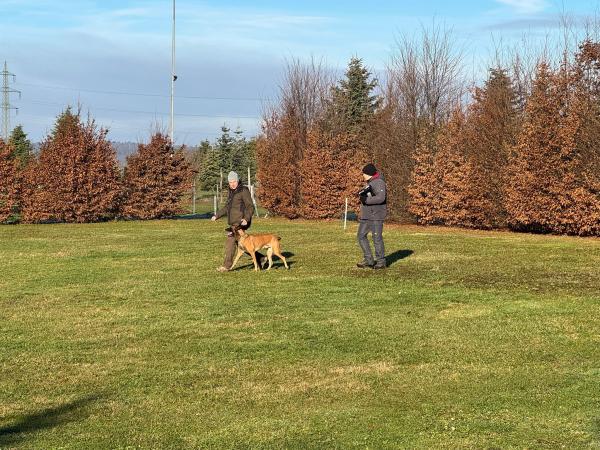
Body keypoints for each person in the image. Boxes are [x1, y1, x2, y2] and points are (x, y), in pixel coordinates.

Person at [211, 171, 264, 272]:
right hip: (233, 222)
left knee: (230, 242)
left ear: (237, 180)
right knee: (243, 244)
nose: (232, 184)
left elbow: (250, 206)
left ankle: (226, 266)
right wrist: (217, 215)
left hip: (241, 222)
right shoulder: (231, 192)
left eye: (234, 181)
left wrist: (246, 219)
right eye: (230, 182)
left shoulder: (243, 190)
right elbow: (227, 207)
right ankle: (260, 258)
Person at [357, 163, 387, 269]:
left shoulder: (379, 182)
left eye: (364, 173)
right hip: (367, 215)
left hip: (376, 215)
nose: (363, 175)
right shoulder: (370, 183)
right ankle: (368, 259)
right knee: (361, 236)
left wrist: (366, 200)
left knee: (376, 238)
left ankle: (381, 262)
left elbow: (381, 198)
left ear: (369, 174)